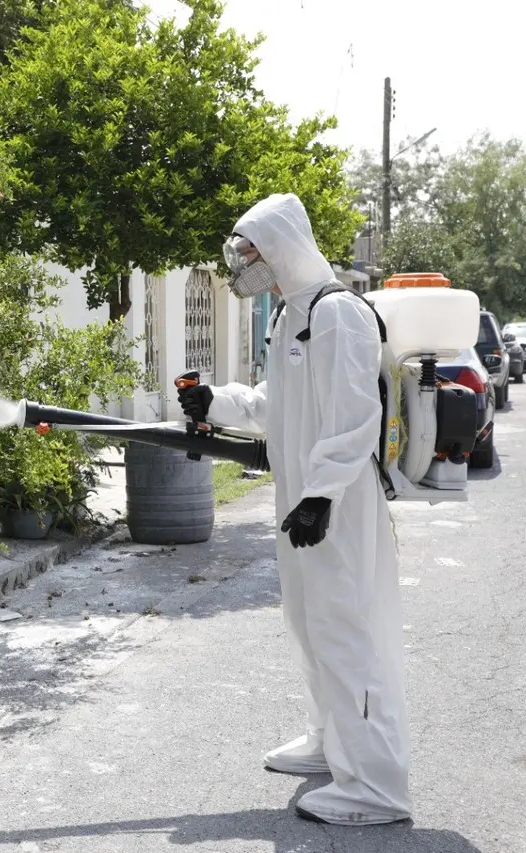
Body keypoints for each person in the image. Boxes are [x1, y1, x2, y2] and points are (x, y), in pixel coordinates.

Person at [177, 193, 411, 826]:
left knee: (344, 630)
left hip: (334, 501)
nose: (243, 263)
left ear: (280, 244)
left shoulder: (337, 314)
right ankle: (330, 743)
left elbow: (355, 416)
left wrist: (320, 496)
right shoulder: (290, 316)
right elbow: (271, 406)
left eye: (250, 250)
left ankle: (375, 788)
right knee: (309, 624)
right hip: (303, 497)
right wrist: (214, 403)